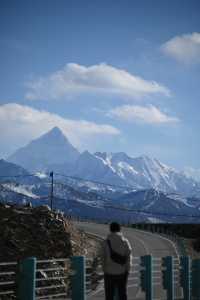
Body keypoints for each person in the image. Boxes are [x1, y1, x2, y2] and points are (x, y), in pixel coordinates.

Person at [101, 222, 132, 300]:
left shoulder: (105, 242)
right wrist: (127, 270)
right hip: (122, 272)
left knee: (109, 295)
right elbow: (128, 257)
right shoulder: (125, 241)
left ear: (110, 229)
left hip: (109, 273)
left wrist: (104, 269)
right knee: (122, 294)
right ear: (119, 229)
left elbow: (102, 258)